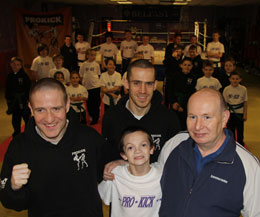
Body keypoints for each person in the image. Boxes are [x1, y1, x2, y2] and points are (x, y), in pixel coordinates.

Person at [0, 78, 104, 217]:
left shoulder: (89, 138)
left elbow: (114, 172)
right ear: (31, 109)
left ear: (67, 105)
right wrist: (13, 187)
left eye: (56, 108)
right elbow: (9, 202)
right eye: (40, 110)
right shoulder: (19, 146)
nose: (49, 119)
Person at [159, 88, 260, 217]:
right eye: (192, 117)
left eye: (207, 117)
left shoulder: (248, 165)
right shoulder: (174, 146)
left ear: (224, 118)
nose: (198, 126)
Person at [102, 59, 180, 165]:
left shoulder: (169, 119)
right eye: (136, 83)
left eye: (148, 83)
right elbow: (106, 156)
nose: (143, 90)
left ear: (155, 85)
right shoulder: (111, 117)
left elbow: (176, 160)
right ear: (126, 83)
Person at [98, 126, 162, 217]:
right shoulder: (115, 175)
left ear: (152, 149)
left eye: (143, 145)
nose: (137, 151)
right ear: (124, 155)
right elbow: (99, 196)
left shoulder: (162, 176)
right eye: (130, 147)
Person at [167, 57, 196, 130]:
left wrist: (183, 106)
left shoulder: (193, 78)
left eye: (189, 65)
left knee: (185, 125)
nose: (187, 67)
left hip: (187, 105)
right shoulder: (174, 76)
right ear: (181, 65)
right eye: (185, 65)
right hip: (175, 103)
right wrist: (173, 102)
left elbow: (191, 93)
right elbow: (170, 90)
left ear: (192, 66)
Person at [5, 57, 31, 137]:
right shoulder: (9, 76)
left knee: (27, 118)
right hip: (14, 102)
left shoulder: (24, 76)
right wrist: (8, 100)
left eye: (18, 65)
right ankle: (17, 133)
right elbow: (7, 89)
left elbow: (28, 88)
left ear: (21, 66)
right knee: (15, 119)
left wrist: (28, 100)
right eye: (14, 64)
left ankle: (28, 133)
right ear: (11, 65)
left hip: (23, 101)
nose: (15, 66)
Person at [223, 71, 248, 146]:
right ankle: (231, 144)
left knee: (240, 131)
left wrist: (245, 114)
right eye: (233, 78)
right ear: (230, 79)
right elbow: (224, 103)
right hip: (230, 112)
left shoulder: (243, 89)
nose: (235, 80)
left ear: (240, 80)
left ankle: (240, 144)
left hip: (239, 113)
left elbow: (245, 102)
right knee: (231, 130)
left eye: (237, 79)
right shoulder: (227, 89)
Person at [79, 49, 101, 125]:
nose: (93, 56)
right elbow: (81, 76)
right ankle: (91, 115)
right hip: (87, 87)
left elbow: (98, 75)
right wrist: (83, 85)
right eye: (91, 55)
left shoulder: (96, 64)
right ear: (87, 55)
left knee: (96, 103)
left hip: (95, 86)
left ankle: (96, 117)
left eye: (94, 55)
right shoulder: (83, 65)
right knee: (89, 104)